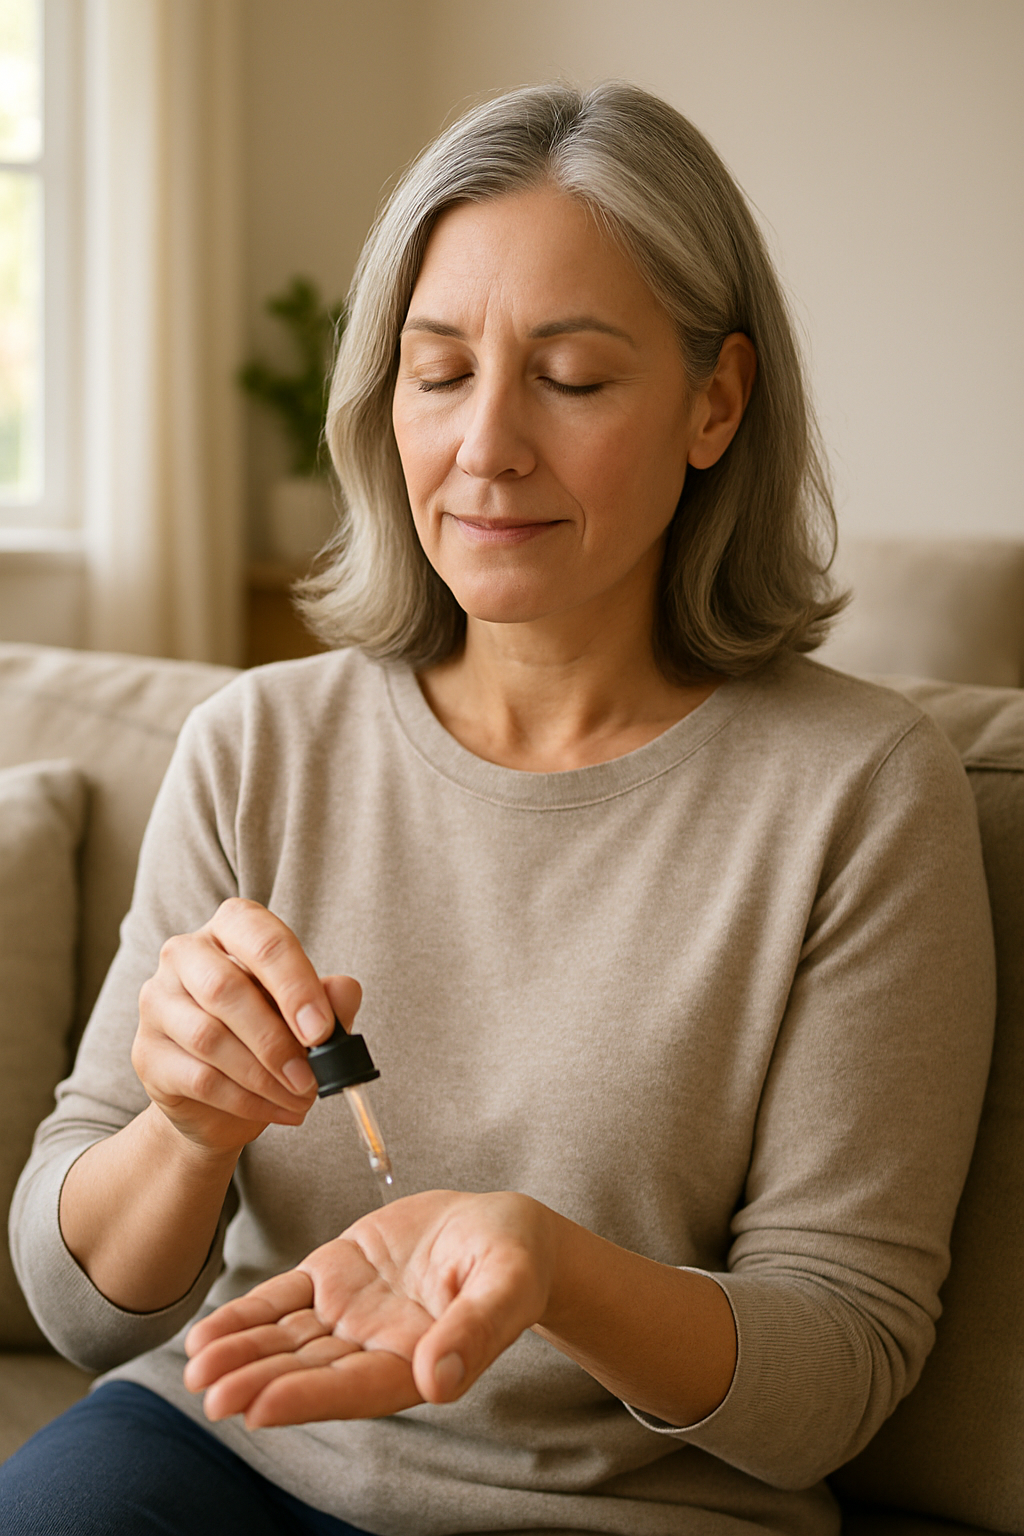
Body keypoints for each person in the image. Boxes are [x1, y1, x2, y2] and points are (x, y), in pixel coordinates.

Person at [3, 82, 995, 1536]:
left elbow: (838, 1370)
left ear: (717, 402)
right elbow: (76, 1305)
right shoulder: (257, 746)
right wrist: (183, 1126)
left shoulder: (858, 794)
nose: (485, 447)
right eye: (439, 370)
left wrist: (552, 1267)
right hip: (225, 1449)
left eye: (574, 379)